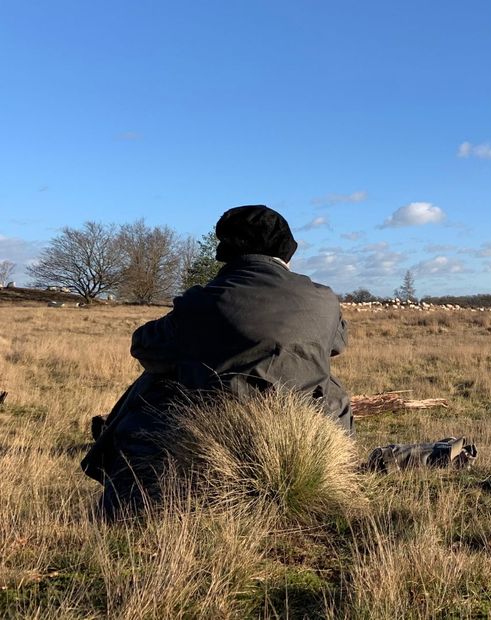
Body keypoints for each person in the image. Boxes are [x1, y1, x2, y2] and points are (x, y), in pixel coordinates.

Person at [81, 205, 352, 519]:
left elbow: (146, 347)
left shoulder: (202, 301)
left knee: (152, 384)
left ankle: (127, 504)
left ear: (226, 252)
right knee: (332, 390)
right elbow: (337, 344)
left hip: (216, 427)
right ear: (287, 251)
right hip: (307, 432)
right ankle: (333, 478)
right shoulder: (324, 299)